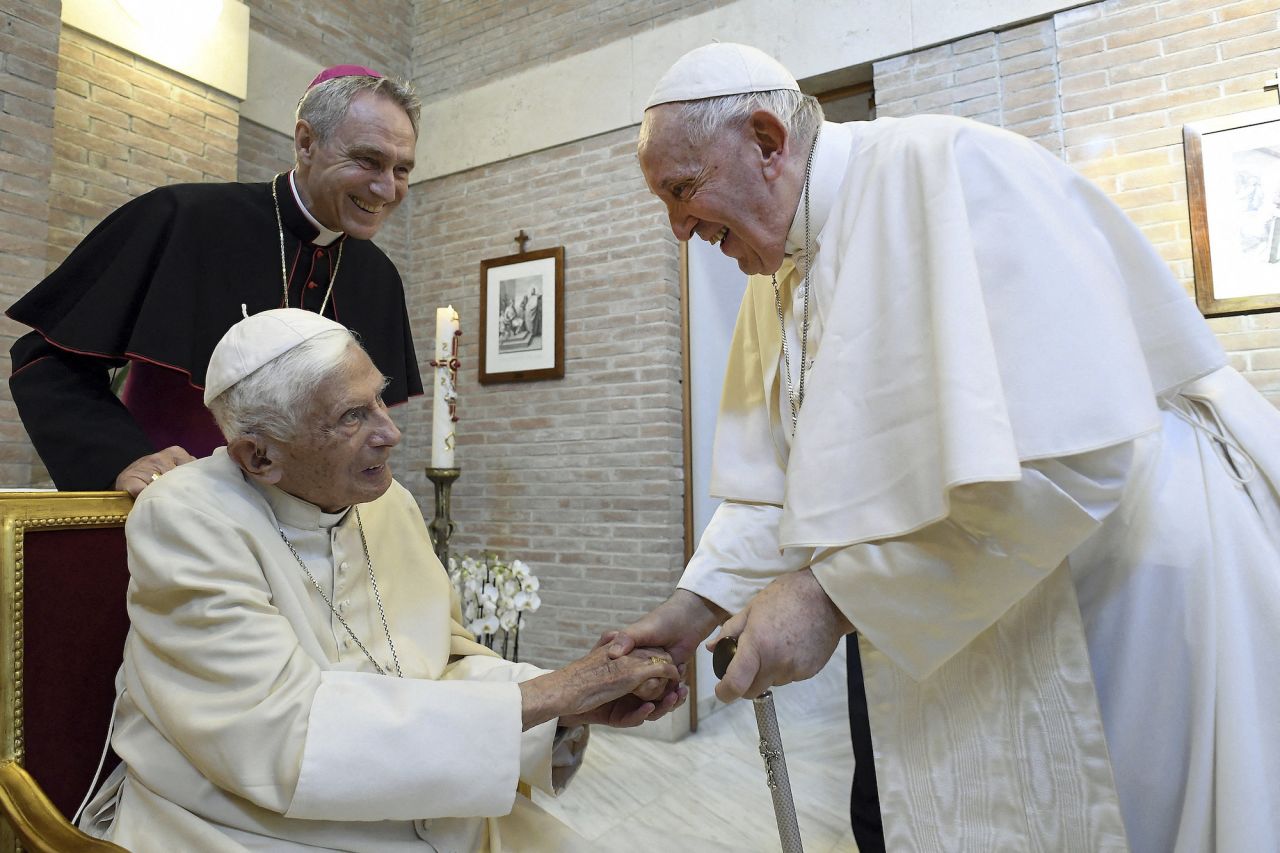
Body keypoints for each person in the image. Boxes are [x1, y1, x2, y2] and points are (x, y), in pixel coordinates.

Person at [610, 42, 1280, 852]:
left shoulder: (951, 170)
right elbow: (771, 489)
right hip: (970, 605)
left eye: (683, 192)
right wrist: (690, 612)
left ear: (765, 140)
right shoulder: (775, 269)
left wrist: (833, 597)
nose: (680, 229)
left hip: (1121, 588)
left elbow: (1076, 459)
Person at [79, 308, 685, 852]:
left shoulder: (386, 500)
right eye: (352, 416)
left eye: (379, 401)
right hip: (242, 824)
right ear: (259, 456)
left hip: (427, 813)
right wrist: (546, 699)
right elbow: (279, 737)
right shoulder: (187, 516)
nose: (390, 433)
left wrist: (569, 704)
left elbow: (442, 661)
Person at [7, 65, 422, 497]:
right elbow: (46, 361)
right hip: (178, 513)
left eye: (402, 170)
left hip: (311, 535)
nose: (386, 189)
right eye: (368, 160)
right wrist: (122, 458)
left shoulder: (380, 278)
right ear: (306, 143)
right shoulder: (184, 219)